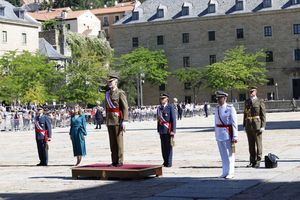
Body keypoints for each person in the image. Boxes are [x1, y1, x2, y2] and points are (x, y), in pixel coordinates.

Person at [105, 72, 129, 167]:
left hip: (117, 119)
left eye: (111, 81)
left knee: (119, 142)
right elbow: (107, 107)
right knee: (112, 142)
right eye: (109, 81)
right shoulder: (107, 93)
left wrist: (125, 120)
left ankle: (120, 160)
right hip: (109, 119)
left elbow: (125, 107)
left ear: (116, 82)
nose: (109, 83)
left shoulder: (120, 93)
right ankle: (114, 160)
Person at [214, 91, 238, 179]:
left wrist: (235, 136)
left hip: (228, 133)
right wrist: (216, 134)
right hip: (219, 134)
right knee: (223, 154)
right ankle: (225, 171)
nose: (218, 100)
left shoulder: (230, 108)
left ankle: (231, 172)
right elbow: (215, 123)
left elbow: (234, 123)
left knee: (230, 154)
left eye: (220, 98)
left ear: (225, 98)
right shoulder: (217, 109)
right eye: (217, 98)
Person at [243, 86, 266, 168]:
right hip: (248, 125)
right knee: (251, 145)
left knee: (258, 144)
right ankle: (252, 161)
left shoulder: (260, 101)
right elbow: (245, 114)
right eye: (250, 92)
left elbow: (263, 115)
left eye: (252, 91)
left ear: (256, 92)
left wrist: (263, 126)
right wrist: (244, 125)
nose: (251, 93)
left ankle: (258, 161)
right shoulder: (247, 101)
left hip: (257, 125)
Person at [157, 93, 176, 167]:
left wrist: (173, 130)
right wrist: (158, 129)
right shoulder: (159, 108)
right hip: (162, 129)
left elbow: (173, 120)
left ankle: (169, 162)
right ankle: (165, 161)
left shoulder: (170, 107)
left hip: (168, 129)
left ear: (167, 99)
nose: (161, 100)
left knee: (169, 146)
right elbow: (158, 120)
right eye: (161, 98)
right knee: (163, 146)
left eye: (163, 98)